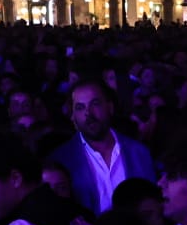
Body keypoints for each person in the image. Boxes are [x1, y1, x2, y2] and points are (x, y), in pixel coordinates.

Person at [49, 79, 158, 217]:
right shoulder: (62, 159)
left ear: (110, 107)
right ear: (73, 116)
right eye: (80, 107)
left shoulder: (139, 153)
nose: (88, 114)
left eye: (95, 104)